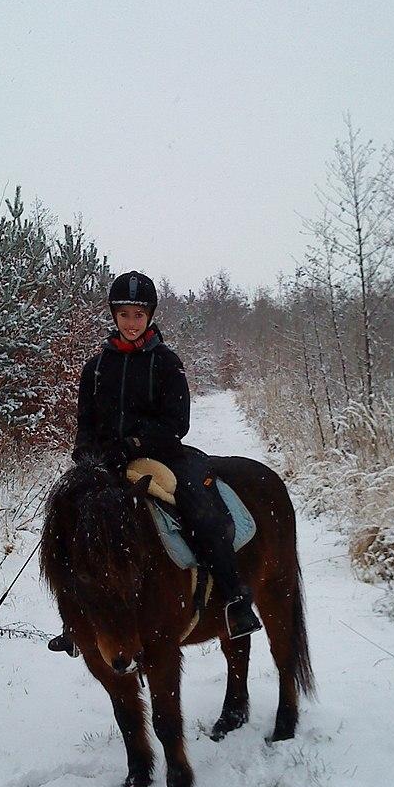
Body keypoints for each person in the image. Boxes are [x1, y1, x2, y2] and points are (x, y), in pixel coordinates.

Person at [47, 270, 262, 655]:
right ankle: (74, 619)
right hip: (106, 463)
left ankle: (234, 598)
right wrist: (87, 455)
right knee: (70, 522)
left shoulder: (166, 362)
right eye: (125, 314)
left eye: (139, 314)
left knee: (200, 505)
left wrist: (134, 441)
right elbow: (86, 422)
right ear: (114, 315)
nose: (132, 322)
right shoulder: (95, 367)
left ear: (150, 316)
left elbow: (177, 423)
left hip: (160, 456)